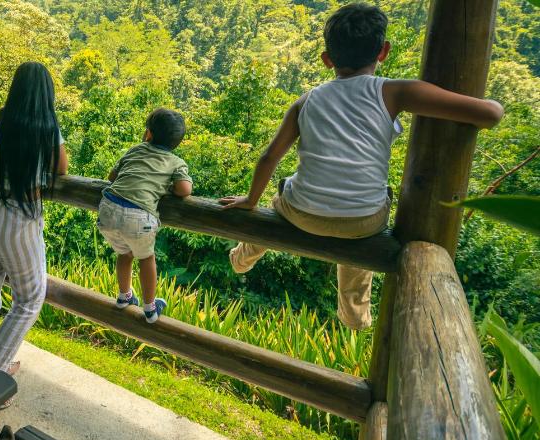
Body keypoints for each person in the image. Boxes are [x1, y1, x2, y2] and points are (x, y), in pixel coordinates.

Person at [219, 3, 504, 330]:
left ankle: (242, 258)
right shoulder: (396, 92)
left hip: (300, 213)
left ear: (327, 59)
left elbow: (269, 157)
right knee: (360, 229)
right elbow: (490, 114)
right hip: (363, 223)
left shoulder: (305, 101)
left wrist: (250, 201)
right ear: (383, 51)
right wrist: (495, 102)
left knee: (280, 199)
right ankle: (355, 317)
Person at [0, 62, 68, 408]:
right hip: (16, 218)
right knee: (30, 299)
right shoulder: (47, 128)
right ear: (46, 93)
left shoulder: (0, 119)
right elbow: (61, 169)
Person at [97, 108, 193, 323]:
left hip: (108, 209)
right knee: (146, 258)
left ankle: (124, 297)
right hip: (139, 217)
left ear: (147, 134)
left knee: (125, 254)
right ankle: (150, 309)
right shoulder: (176, 162)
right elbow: (184, 189)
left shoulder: (135, 150)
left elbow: (112, 177)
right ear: (177, 142)